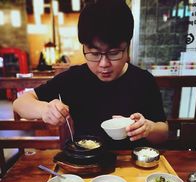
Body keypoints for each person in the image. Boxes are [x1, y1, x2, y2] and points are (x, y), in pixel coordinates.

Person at [13, 0, 168, 150]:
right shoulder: (74, 78)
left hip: (133, 166)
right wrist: (44, 109)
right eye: (94, 54)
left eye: (114, 53)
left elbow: (164, 133)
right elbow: (20, 103)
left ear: (127, 47)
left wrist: (149, 128)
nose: (103, 64)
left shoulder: (143, 80)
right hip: (86, 164)